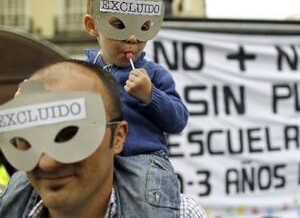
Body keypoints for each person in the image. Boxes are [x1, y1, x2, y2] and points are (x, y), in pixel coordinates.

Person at [0, 59, 207, 218]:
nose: (46, 163)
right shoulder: (9, 204)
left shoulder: (179, 213)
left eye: (71, 135)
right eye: (29, 138)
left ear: (118, 137)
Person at [82, 0, 188, 216]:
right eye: (119, 25)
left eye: (142, 27)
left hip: (143, 161)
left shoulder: (153, 74)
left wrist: (151, 95)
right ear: (93, 26)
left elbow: (178, 120)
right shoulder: (81, 73)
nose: (132, 37)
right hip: (92, 159)